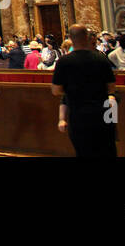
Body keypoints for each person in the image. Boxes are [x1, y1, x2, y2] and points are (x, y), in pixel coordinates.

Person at [51, 24, 117, 157]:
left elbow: (56, 90)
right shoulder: (101, 58)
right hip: (103, 115)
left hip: (79, 116)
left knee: (84, 152)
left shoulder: (64, 62)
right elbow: (111, 88)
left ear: (70, 39)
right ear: (87, 37)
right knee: (107, 151)